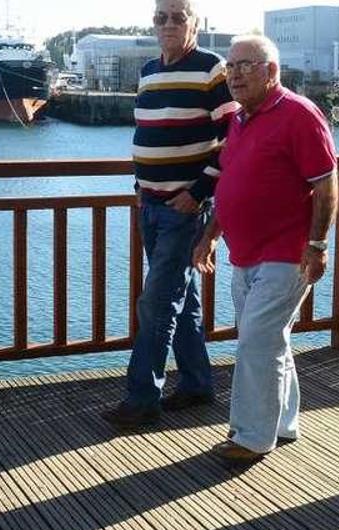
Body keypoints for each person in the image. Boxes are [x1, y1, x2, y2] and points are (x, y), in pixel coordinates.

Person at [192, 34, 337, 464]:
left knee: (256, 343)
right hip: (247, 253)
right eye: (230, 66)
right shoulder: (239, 119)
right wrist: (210, 234)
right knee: (270, 340)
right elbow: (231, 184)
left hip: (287, 252)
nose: (233, 74)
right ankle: (283, 422)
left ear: (271, 71)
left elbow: (326, 184)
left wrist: (317, 245)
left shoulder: (299, 114)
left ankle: (252, 436)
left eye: (245, 65)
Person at [101, 0, 239, 427]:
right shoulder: (148, 72)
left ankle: (143, 398)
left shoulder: (212, 69)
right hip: (151, 205)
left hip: (184, 210)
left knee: (157, 303)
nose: (168, 24)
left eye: (178, 17)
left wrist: (199, 192)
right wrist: (140, 185)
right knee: (183, 300)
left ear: (195, 23)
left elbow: (233, 139)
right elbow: (150, 132)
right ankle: (197, 382)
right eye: (161, 17)